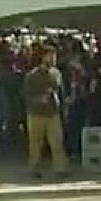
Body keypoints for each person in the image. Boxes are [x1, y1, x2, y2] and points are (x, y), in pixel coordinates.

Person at [22, 45, 68, 178]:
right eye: (50, 55)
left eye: (54, 56)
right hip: (36, 114)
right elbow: (26, 96)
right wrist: (39, 100)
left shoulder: (56, 73)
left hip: (53, 112)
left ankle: (60, 168)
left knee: (57, 141)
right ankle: (33, 169)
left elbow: (61, 91)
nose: (53, 58)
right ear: (43, 57)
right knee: (36, 143)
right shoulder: (32, 76)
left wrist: (63, 105)